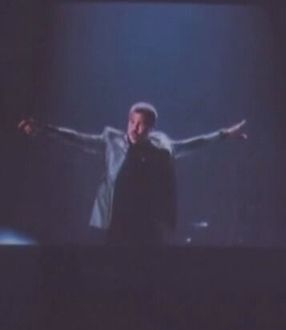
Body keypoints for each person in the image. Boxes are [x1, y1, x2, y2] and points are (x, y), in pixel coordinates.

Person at [16, 104, 247, 244]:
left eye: (142, 124)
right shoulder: (112, 140)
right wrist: (44, 129)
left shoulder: (162, 148)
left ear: (151, 128)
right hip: (116, 221)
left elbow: (193, 144)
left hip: (147, 223)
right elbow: (77, 138)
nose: (135, 128)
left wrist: (225, 134)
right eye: (132, 122)